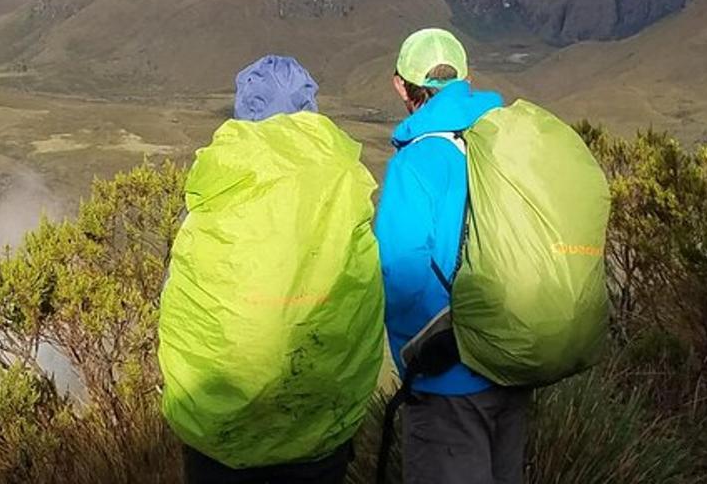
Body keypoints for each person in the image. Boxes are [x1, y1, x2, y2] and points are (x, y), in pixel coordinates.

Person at [160, 55, 385, 484]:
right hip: (320, 430)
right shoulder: (347, 190)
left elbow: (180, 308)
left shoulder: (217, 191)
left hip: (220, 440)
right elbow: (365, 298)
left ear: (246, 110)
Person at [374, 28, 529, 484]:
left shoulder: (415, 162)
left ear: (401, 86)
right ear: (466, 78)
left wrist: (420, 355)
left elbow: (398, 275)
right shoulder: (501, 144)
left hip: (448, 382)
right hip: (509, 361)